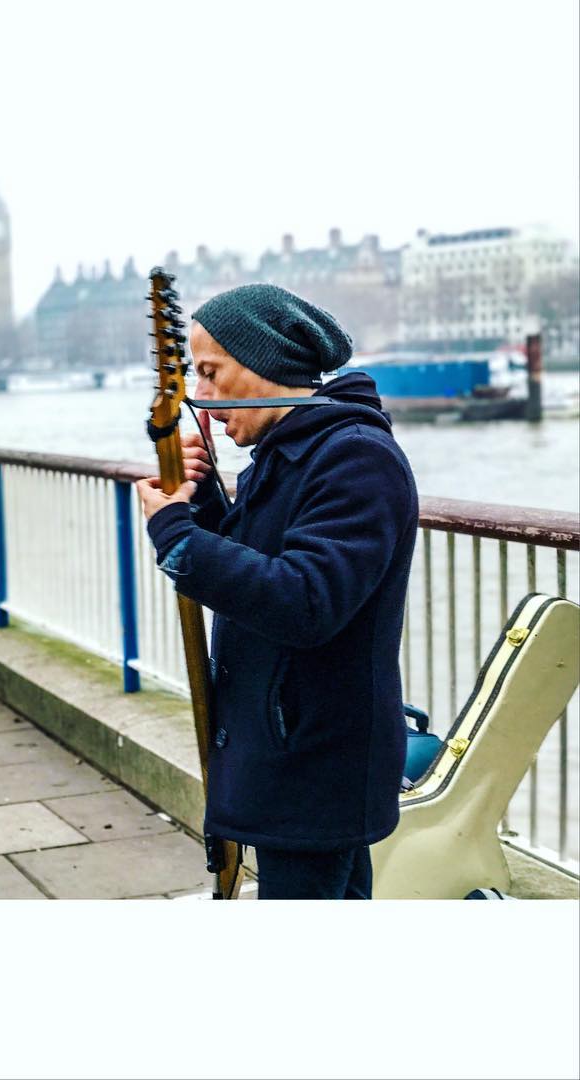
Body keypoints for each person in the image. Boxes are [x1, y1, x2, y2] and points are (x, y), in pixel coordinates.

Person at [136, 284, 419, 900]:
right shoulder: (286, 453)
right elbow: (255, 571)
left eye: (210, 374)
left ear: (264, 365)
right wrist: (204, 499)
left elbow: (305, 602)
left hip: (318, 765)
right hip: (286, 755)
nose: (201, 400)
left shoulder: (356, 459)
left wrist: (175, 534)